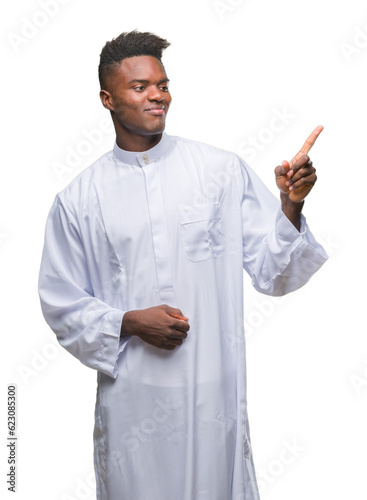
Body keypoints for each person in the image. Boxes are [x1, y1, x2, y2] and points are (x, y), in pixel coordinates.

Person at [38, 30, 328, 500]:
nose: (157, 94)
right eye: (140, 86)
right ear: (107, 99)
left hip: (213, 399)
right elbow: (60, 302)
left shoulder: (218, 171)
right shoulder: (79, 200)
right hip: (133, 407)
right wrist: (129, 322)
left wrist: (290, 205)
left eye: (163, 83)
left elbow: (274, 271)